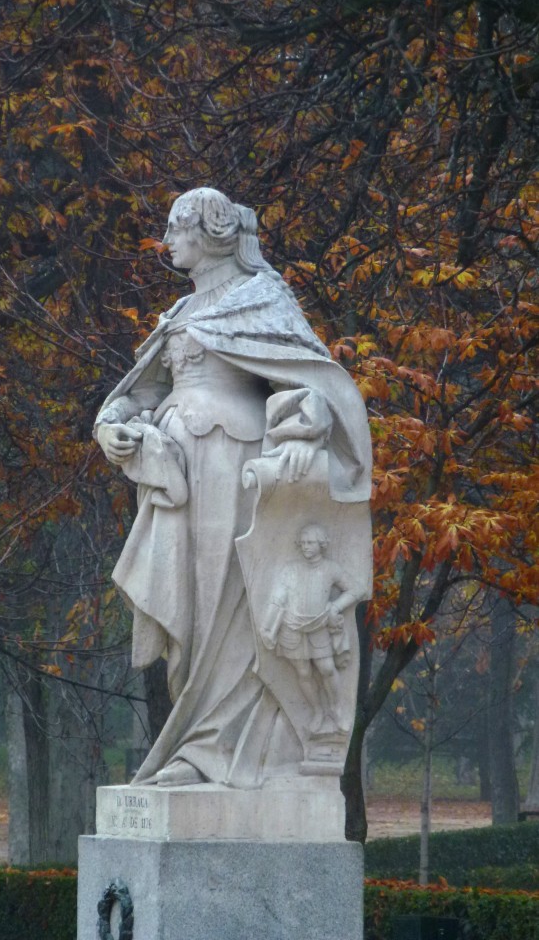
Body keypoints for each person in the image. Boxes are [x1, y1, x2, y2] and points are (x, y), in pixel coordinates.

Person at [95, 187, 371, 787]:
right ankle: (193, 747)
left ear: (210, 231)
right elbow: (138, 392)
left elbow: (311, 384)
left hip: (232, 462)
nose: (167, 241)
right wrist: (109, 426)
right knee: (189, 614)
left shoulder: (260, 299)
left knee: (229, 609)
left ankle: (213, 751)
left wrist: (305, 426)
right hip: (174, 475)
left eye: (175, 228)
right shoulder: (180, 314)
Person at [260, 523, 364, 735]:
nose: (305, 547)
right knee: (303, 672)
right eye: (303, 543)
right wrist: (267, 627)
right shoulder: (290, 569)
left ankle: (336, 709)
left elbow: (356, 589)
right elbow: (277, 600)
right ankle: (317, 712)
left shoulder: (331, 568)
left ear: (321, 544)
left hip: (318, 626)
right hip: (291, 627)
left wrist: (335, 606)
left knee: (326, 668)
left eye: (310, 543)